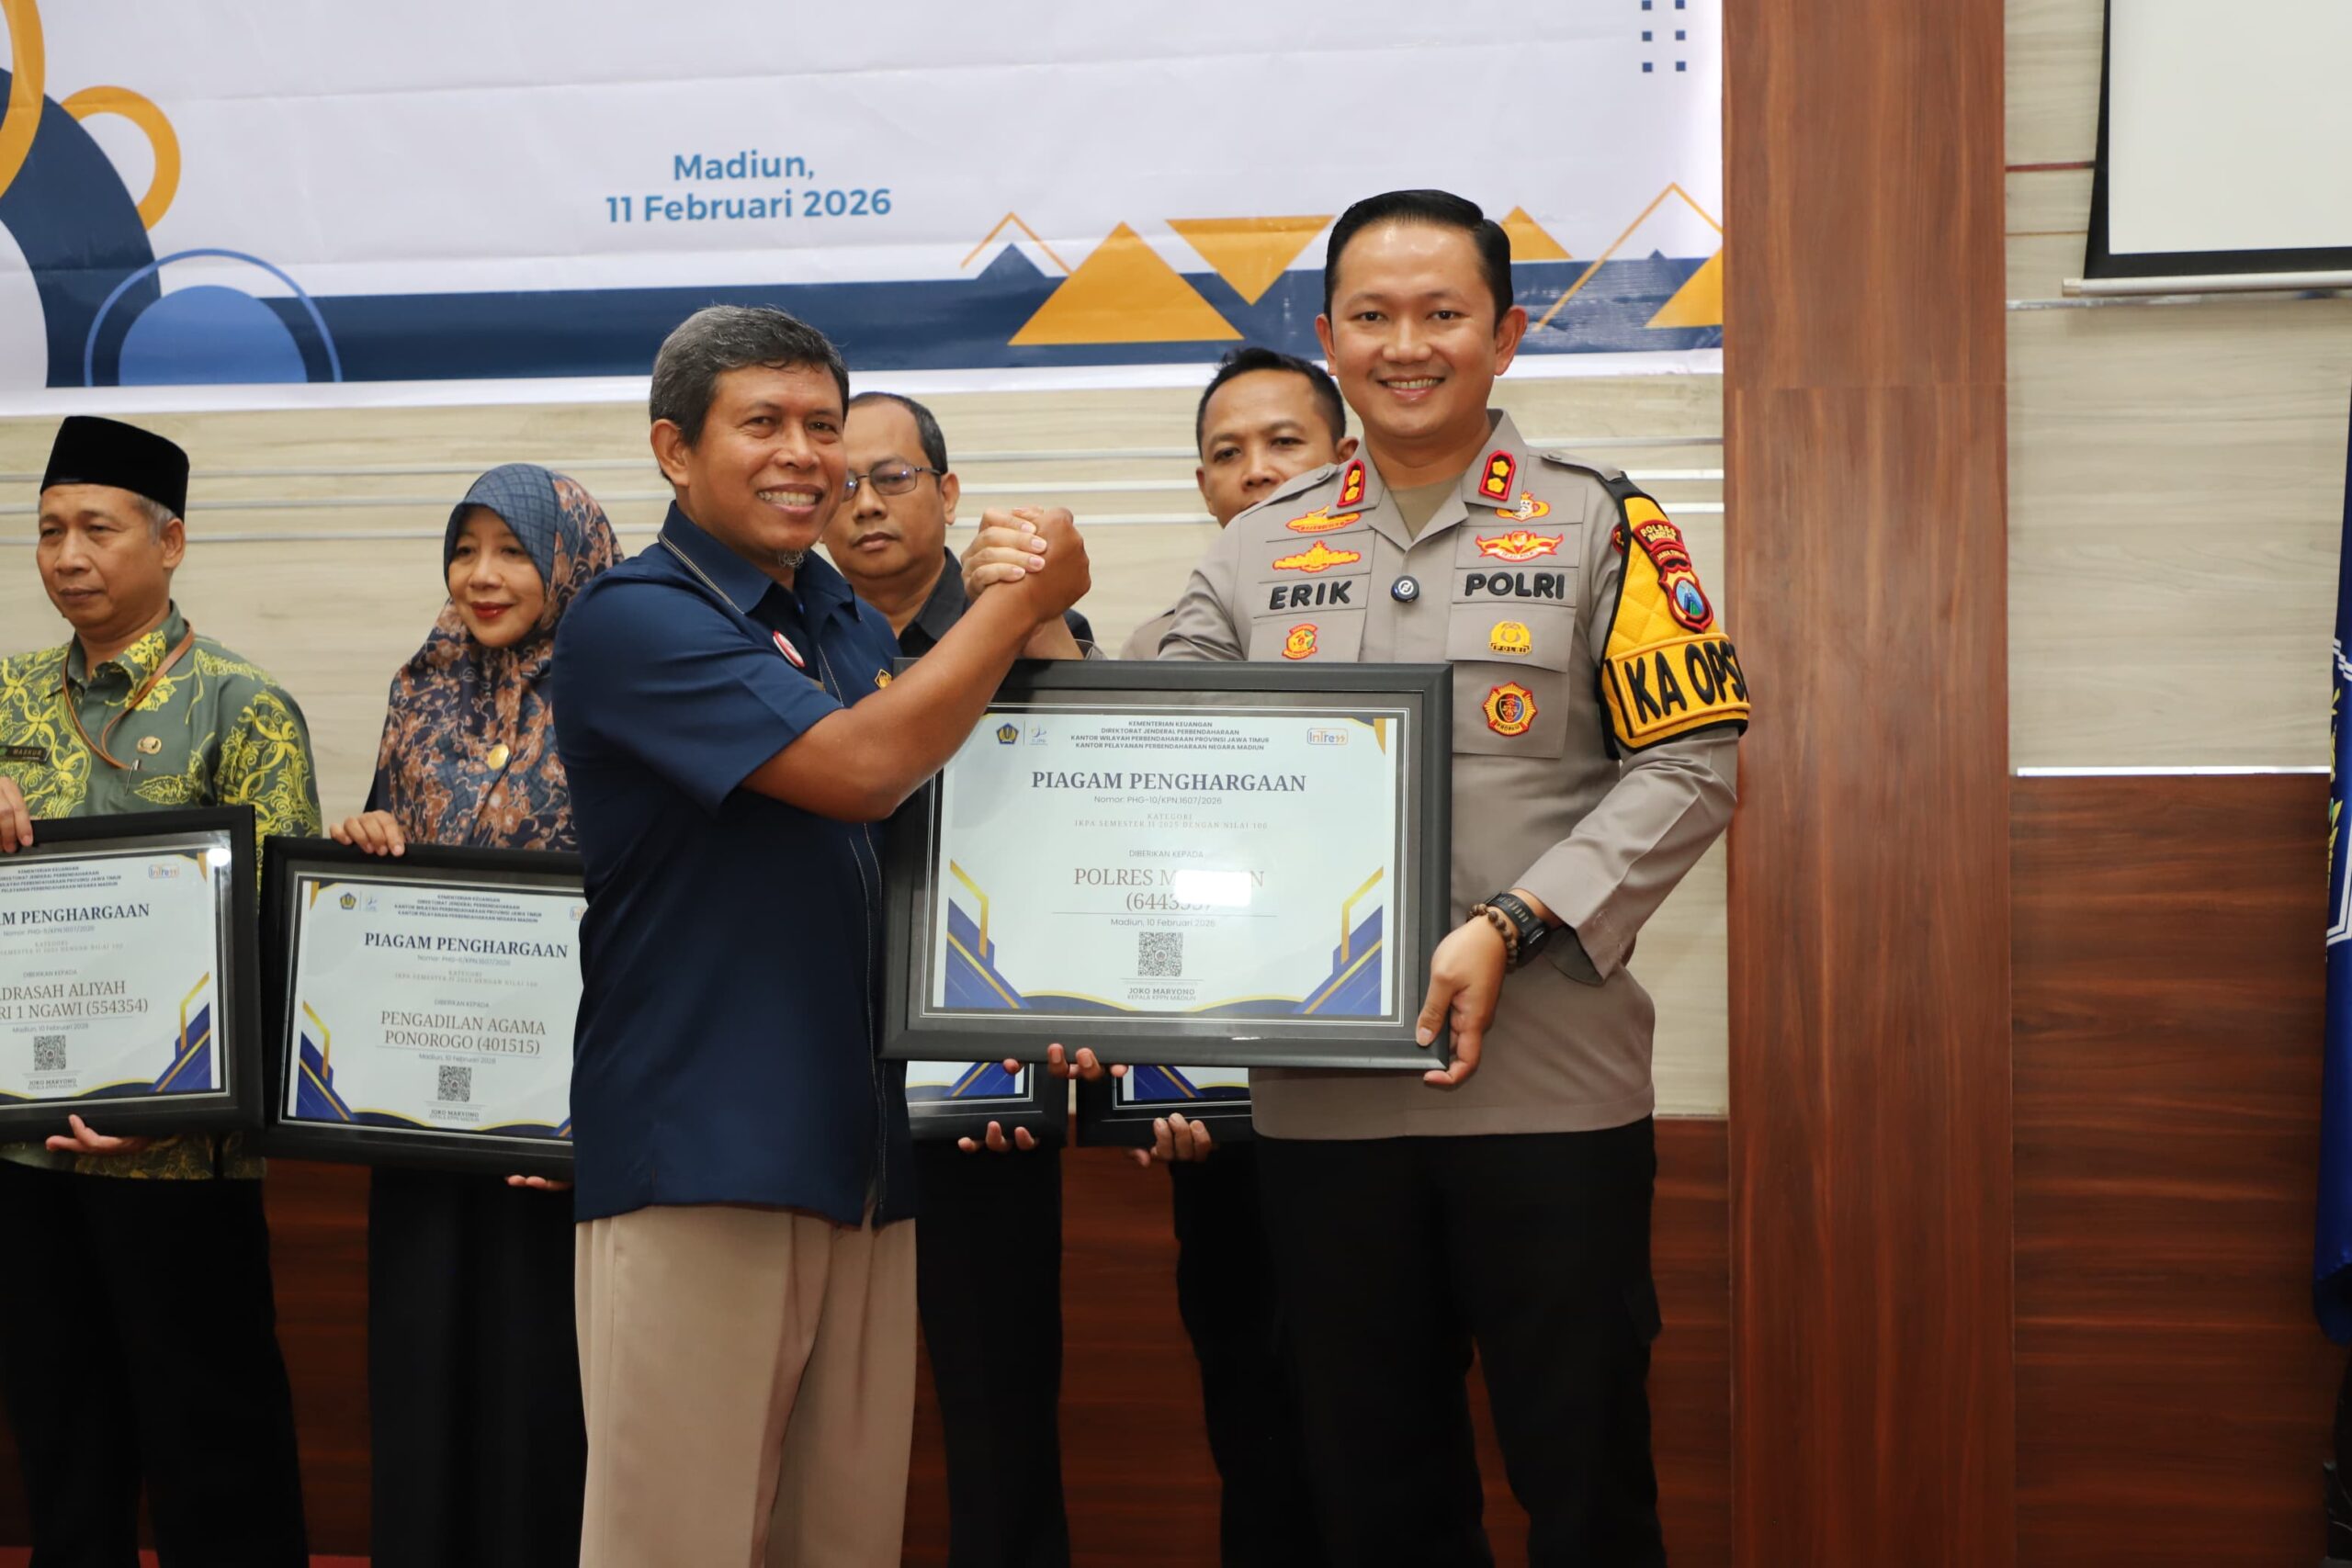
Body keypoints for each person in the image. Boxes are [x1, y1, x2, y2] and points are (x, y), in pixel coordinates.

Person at [979, 191, 1747, 1566]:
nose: (1407, 345)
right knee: (1377, 1504)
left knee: (1586, 1492)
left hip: (1550, 1095)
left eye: (1442, 314)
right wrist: (1025, 606)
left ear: (1505, 335)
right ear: (1329, 340)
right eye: (1373, 317)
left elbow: (1693, 763)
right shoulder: (1256, 546)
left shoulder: (1605, 523)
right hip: (1324, 1116)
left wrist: (1514, 922)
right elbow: (1138, 754)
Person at [549, 305, 1090, 1566]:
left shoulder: (838, 616)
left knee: (839, 1541)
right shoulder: (636, 617)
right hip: (705, 1153)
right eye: (763, 423)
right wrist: (1013, 601)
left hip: (864, 1162)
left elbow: (989, 797)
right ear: (675, 450)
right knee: (677, 1544)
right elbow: (863, 769)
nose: (803, 454)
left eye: (822, 425)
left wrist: (1024, 603)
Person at [0, 415, 316, 1565]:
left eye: (97, 528)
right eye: (48, 531)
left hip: (178, 1158)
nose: (68, 556)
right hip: (23, 1149)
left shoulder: (242, 704)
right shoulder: (4, 697)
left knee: (212, 1447)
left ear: (170, 542)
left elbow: (278, 936)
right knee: (60, 1440)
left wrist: (176, 1107)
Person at [330, 463, 619, 1568]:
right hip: (419, 1116)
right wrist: (368, 842)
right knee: (421, 1377)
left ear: (572, 560)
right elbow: (385, 875)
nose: (482, 576)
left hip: (562, 1115)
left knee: (540, 1396)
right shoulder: (421, 690)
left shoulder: (621, 690)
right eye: (465, 550)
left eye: (513, 550)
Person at [822, 388, 1093, 1568]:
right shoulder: (783, 637)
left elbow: (1091, 811)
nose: (864, 504)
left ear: (946, 490)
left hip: (987, 1087)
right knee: (815, 1401)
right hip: (820, 1074)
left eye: (891, 477)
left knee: (997, 1409)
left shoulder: (1015, 618)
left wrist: (1033, 605)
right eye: (840, 484)